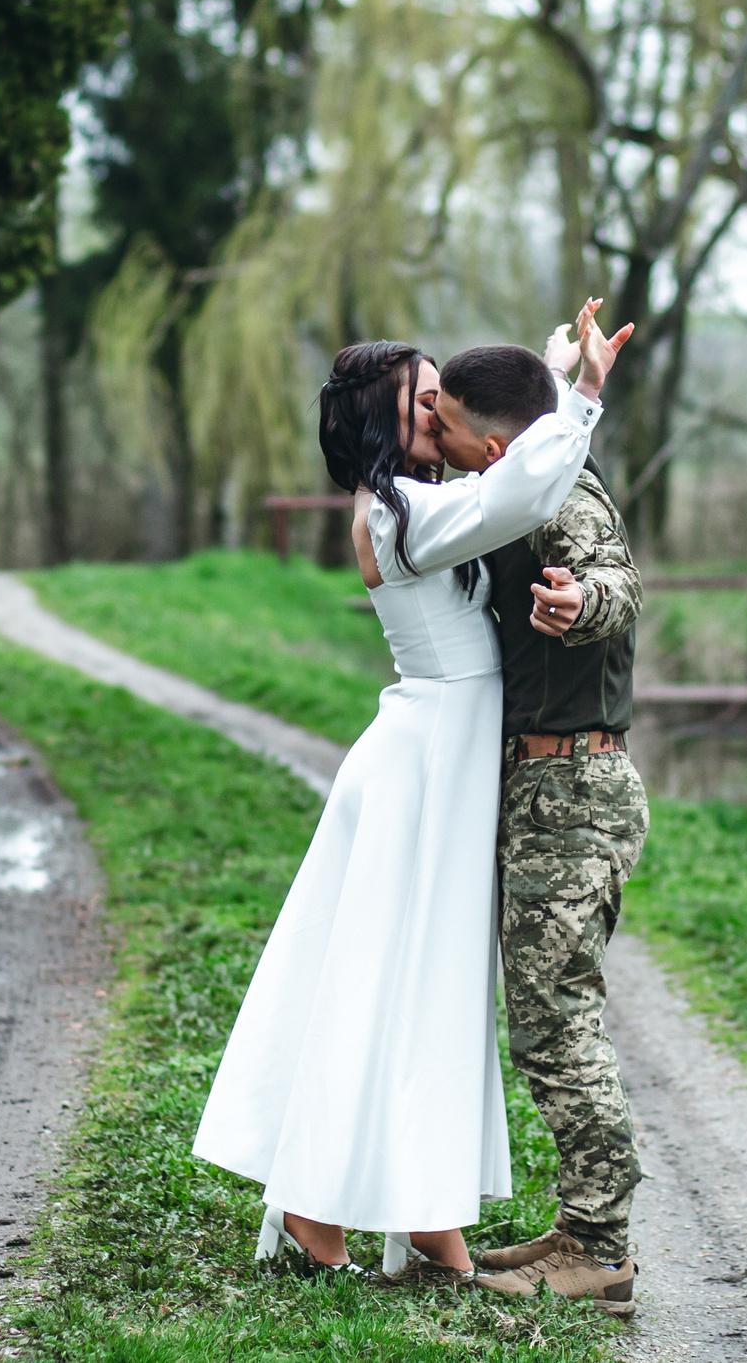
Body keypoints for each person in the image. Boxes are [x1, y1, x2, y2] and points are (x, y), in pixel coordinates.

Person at [191, 298, 635, 1282]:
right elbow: (514, 493)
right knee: (385, 988)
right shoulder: (398, 513)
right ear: (382, 422)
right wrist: (582, 399)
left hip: (449, 758)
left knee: (435, 993)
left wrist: (554, 385)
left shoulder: (413, 505)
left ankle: (430, 1222)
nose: (440, 414)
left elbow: (510, 461)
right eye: (424, 400)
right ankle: (317, 1211)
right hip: (424, 767)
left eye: (442, 399)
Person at [431, 341, 645, 1317]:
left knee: (558, 1023)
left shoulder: (563, 497)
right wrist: (566, 370)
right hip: (543, 787)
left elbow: (616, 585)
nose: (432, 437)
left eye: (443, 422)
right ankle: (580, 1226)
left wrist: (578, 599)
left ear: (487, 442)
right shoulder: (526, 469)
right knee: (545, 1019)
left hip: (575, 789)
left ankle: (601, 1248)